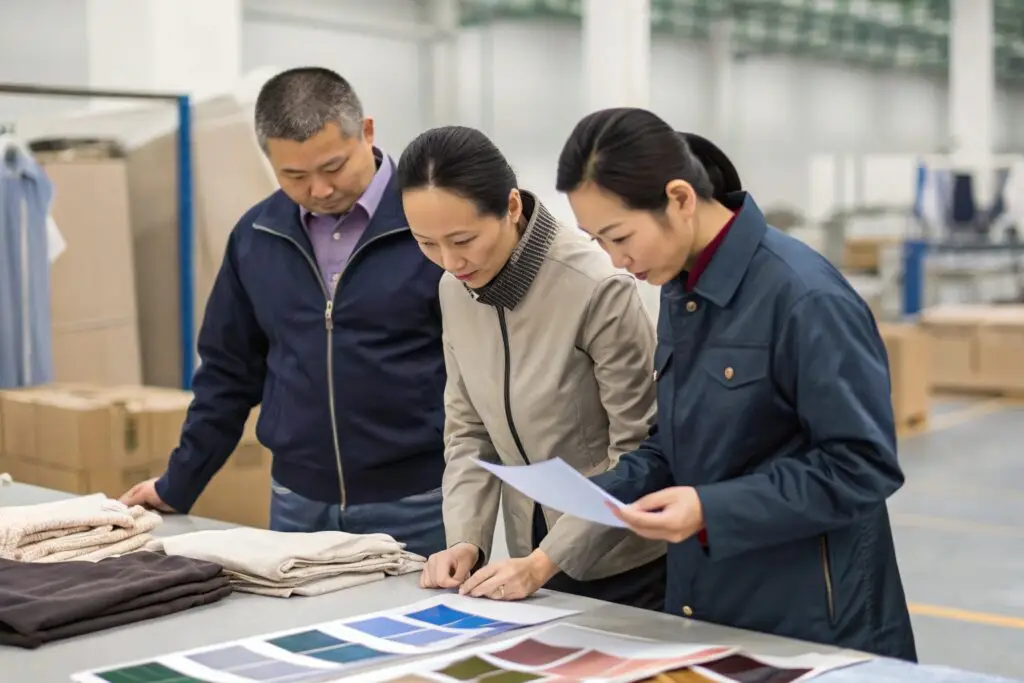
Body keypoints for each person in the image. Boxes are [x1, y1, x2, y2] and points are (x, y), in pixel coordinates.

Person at [554, 107, 917, 661]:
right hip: (708, 604)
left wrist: (710, 509)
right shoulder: (682, 286)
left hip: (810, 625)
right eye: (596, 240)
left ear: (679, 199)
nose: (616, 261)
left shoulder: (804, 298)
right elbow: (678, 442)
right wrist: (603, 492)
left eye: (619, 236)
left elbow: (863, 467)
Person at [119, 67, 448, 558]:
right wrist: (179, 482)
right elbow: (228, 374)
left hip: (421, 501)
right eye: (294, 176)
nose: (319, 189)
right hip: (297, 506)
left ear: (368, 132)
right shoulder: (257, 237)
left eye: (333, 167)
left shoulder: (433, 227)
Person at [397, 125, 667, 609]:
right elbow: (468, 430)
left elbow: (638, 448)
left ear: (511, 207)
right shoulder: (454, 288)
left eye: (463, 239)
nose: (450, 261)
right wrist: (465, 539)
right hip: (529, 554)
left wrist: (548, 559)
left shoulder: (596, 287)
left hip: (622, 559)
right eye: (426, 243)